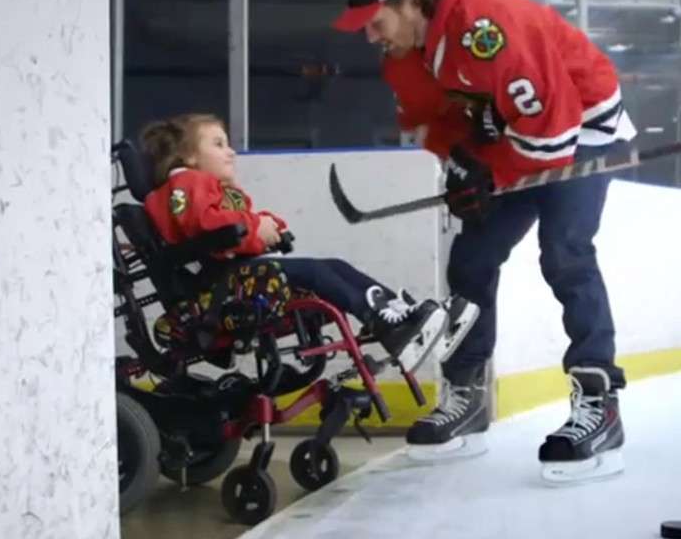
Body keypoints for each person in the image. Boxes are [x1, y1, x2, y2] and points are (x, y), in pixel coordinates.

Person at [332, 0, 637, 484]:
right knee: (471, 260)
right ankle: (468, 395)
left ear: (408, 2)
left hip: (586, 130)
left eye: (375, 22)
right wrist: (464, 166)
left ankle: (599, 402)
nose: (371, 37)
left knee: (565, 251)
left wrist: (488, 173)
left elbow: (554, 132)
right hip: (519, 140)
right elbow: (434, 124)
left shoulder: (485, 29)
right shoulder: (404, 58)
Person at [139, 112, 474, 371]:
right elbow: (207, 226)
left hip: (238, 274)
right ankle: (389, 327)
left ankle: (397, 315)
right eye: (218, 144)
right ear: (189, 156)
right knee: (316, 273)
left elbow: (235, 226)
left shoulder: (211, 187)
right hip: (218, 285)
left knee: (334, 267)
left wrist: (268, 228)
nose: (230, 152)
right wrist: (255, 228)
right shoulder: (186, 183)